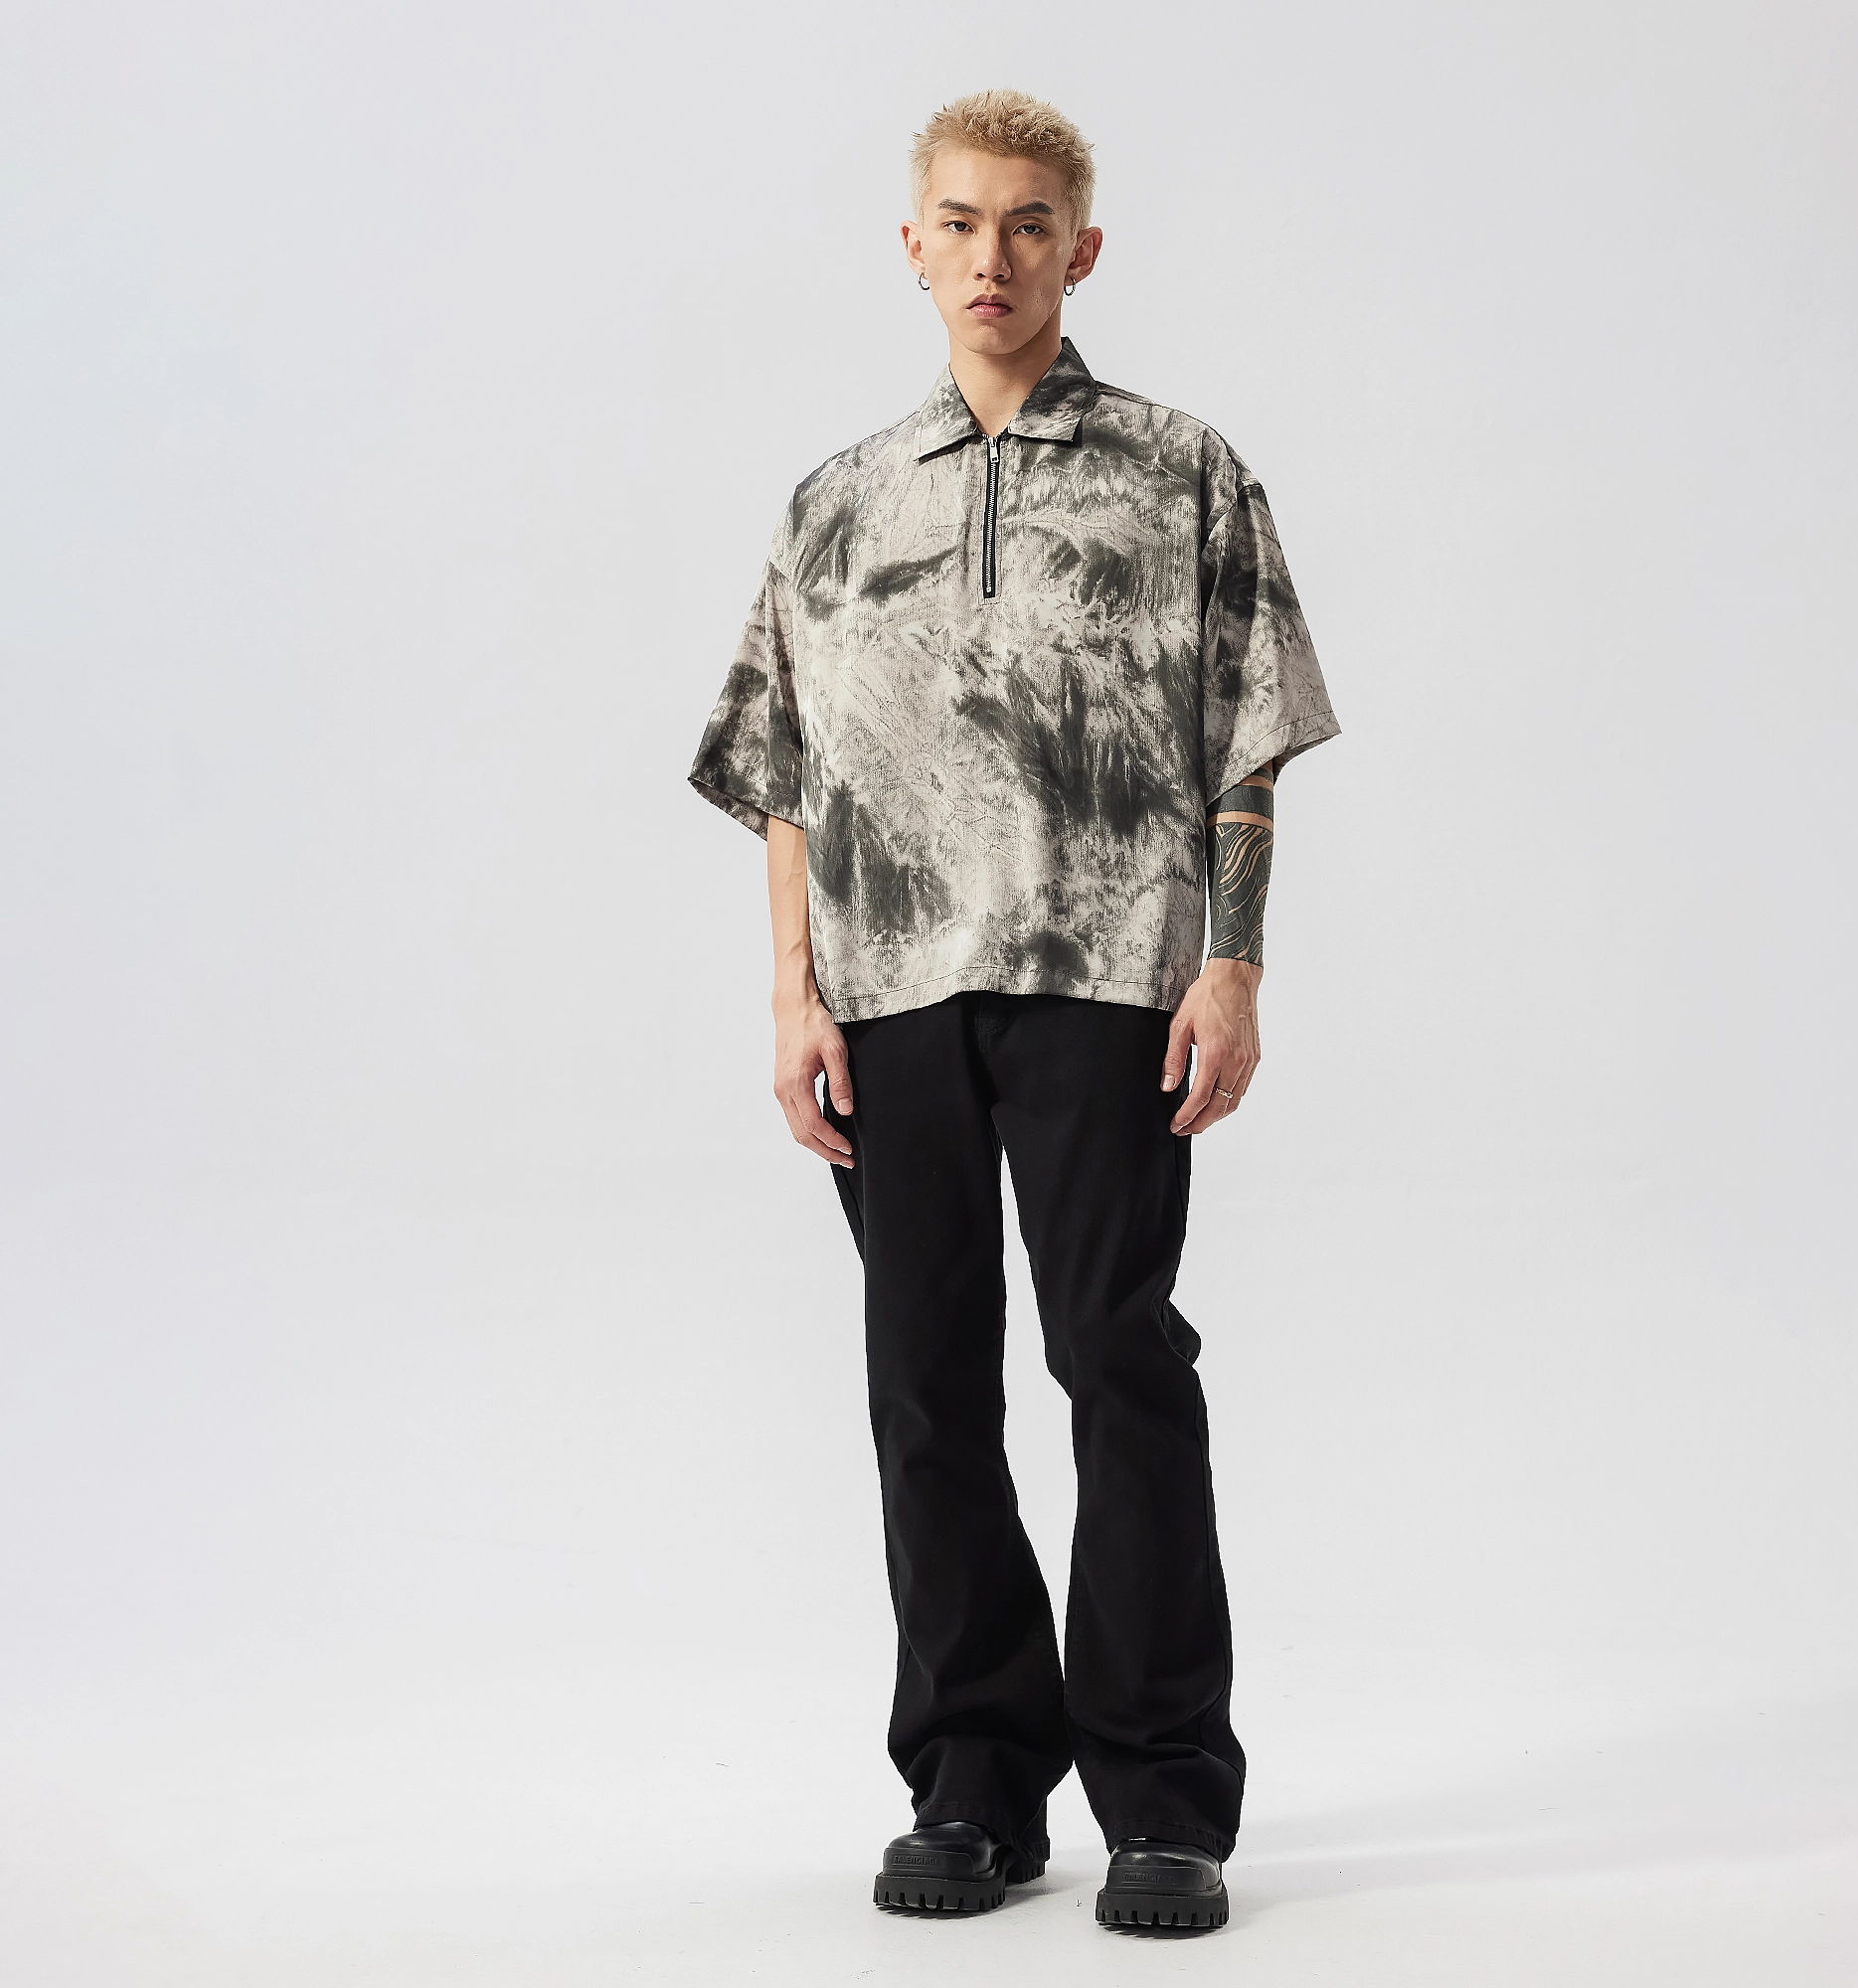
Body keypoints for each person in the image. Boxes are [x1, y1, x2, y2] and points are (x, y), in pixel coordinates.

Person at [688, 87, 1336, 1934]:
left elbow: (1243, 739)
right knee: (925, 1383)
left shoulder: (1183, 472)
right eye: (963, 223)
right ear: (915, 246)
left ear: (1082, 248)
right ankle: (972, 1779)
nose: (995, 255)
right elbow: (784, 773)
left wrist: (1233, 964)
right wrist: (794, 997)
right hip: (888, 989)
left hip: (1106, 975)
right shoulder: (835, 502)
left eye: (1030, 223)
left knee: (1117, 1360)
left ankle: (1163, 1797)